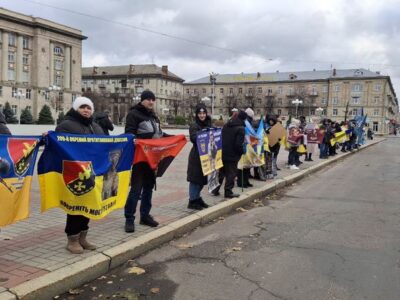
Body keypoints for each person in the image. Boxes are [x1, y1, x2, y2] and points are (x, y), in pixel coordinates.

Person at [56, 96, 104, 254]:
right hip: (74, 174)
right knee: (75, 205)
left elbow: (105, 145)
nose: (86, 110)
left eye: (89, 108)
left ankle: (83, 237)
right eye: (82, 107)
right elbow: (59, 145)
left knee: (88, 204)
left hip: (92, 172)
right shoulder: (66, 125)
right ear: (76, 108)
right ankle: (72, 239)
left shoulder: (96, 127)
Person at [124, 90, 169, 233]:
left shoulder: (154, 117)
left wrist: (176, 137)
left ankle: (145, 216)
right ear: (142, 100)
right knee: (136, 189)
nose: (151, 102)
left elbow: (159, 134)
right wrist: (138, 140)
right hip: (140, 159)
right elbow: (129, 134)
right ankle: (129, 219)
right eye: (148, 99)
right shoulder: (133, 114)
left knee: (149, 187)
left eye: (153, 100)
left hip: (153, 159)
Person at [212, 110, 246, 198]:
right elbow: (238, 145)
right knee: (231, 173)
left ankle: (215, 189)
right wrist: (241, 152)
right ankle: (228, 191)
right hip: (232, 155)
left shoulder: (227, 125)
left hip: (223, 153)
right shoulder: (241, 128)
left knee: (222, 172)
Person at [186, 103, 212, 210]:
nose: (202, 115)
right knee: (195, 180)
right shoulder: (194, 125)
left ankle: (197, 198)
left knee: (201, 180)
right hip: (196, 156)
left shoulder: (207, 124)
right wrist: (204, 133)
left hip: (205, 156)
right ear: (197, 115)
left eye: (204, 113)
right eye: (200, 113)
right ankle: (192, 201)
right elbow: (193, 138)